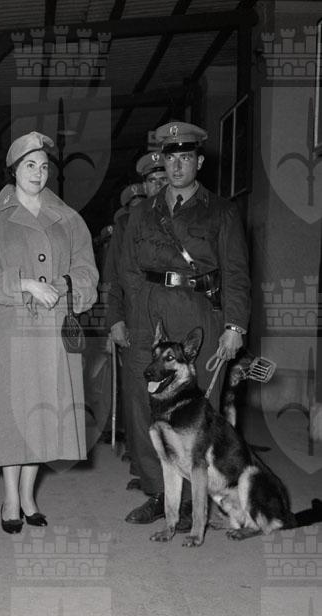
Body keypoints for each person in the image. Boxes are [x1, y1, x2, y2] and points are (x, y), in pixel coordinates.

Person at [118, 121, 250, 526]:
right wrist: (133, 315)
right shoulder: (142, 212)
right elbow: (128, 270)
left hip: (199, 315)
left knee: (200, 414)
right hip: (150, 315)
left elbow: (236, 273)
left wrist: (235, 326)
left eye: (185, 158)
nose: (176, 167)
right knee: (143, 405)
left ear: (199, 162)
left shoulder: (222, 211)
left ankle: (196, 499)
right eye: (170, 158)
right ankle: (159, 493)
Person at [0, 131, 98, 533]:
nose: (38, 173)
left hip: (51, 332)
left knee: (41, 416)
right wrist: (25, 284)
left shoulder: (69, 219)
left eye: (43, 167)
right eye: (29, 165)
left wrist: (62, 285)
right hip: (9, 333)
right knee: (11, 417)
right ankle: (10, 498)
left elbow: (87, 271)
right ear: (13, 170)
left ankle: (28, 495)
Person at [104, 153, 168, 471]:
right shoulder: (127, 224)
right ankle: (146, 470)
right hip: (136, 318)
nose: (159, 185)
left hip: (174, 315)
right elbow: (114, 277)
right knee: (138, 396)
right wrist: (115, 320)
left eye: (163, 178)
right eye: (153, 180)